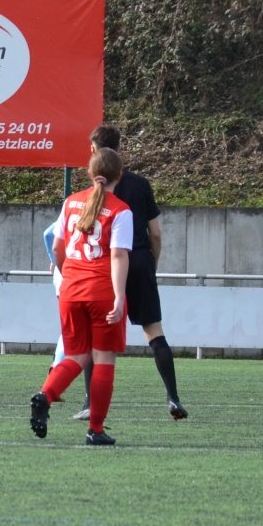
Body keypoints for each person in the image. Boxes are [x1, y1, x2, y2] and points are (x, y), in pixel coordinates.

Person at [30, 149, 132, 446]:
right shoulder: (121, 210)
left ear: (89, 173)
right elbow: (118, 256)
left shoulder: (71, 201)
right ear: (119, 176)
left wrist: (70, 276)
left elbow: (57, 248)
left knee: (76, 355)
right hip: (101, 291)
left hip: (70, 289)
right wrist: (119, 297)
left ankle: (46, 394)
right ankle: (95, 429)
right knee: (103, 358)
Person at [90, 125, 187, 419]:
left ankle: (89, 403)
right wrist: (151, 263)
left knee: (97, 339)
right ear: (120, 148)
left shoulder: (91, 190)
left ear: (93, 150)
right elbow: (155, 233)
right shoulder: (140, 184)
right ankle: (173, 398)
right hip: (140, 259)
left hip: (106, 265)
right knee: (154, 331)